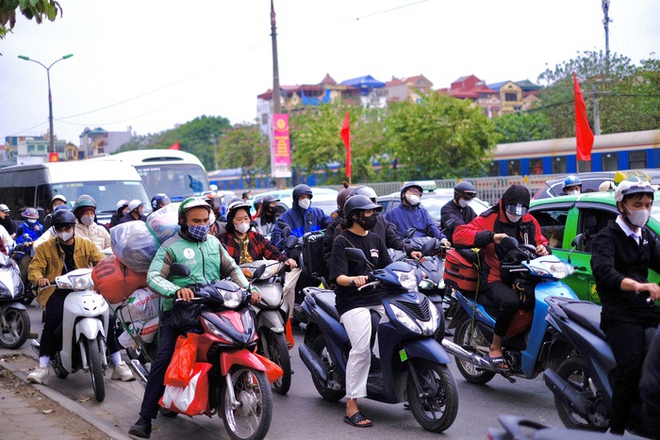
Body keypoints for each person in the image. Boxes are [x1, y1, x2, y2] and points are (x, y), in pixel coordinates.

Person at [129, 197, 259, 439]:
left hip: (214, 307)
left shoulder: (213, 243)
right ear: (183, 221)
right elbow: (154, 277)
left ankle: (247, 387)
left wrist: (249, 291)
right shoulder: (171, 247)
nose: (201, 224)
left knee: (243, 338)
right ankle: (145, 418)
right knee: (164, 359)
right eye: (195, 221)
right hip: (179, 312)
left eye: (205, 220)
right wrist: (175, 290)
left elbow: (231, 268)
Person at [26, 209, 134, 384]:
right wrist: (40, 279)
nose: (64, 230)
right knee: (52, 320)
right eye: (60, 228)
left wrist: (105, 273)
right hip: (57, 291)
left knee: (110, 319)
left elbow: (101, 261)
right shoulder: (45, 248)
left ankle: (118, 364)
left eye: (67, 227)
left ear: (73, 227)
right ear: (55, 229)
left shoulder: (86, 244)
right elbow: (35, 268)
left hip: (86, 290)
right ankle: (43, 366)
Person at [589, 178, 660, 435]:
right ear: (622, 205)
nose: (644, 209)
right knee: (629, 366)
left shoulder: (646, 237)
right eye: (637, 203)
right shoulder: (605, 238)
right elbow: (605, 272)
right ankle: (617, 429)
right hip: (619, 313)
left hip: (645, 308)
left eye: (648, 204)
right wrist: (639, 286)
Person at [453, 184, 550, 370]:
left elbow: (541, 240)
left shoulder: (529, 220)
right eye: (513, 209)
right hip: (494, 278)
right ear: (504, 204)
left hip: (523, 276)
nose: (517, 213)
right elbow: (459, 235)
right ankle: (495, 346)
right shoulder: (489, 218)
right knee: (511, 303)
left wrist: (543, 248)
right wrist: (492, 237)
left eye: (522, 209)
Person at [330, 195, 392, 428]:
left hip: (378, 297)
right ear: (355, 216)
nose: (373, 216)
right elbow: (338, 277)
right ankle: (352, 404)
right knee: (362, 347)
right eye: (368, 213)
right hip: (352, 301)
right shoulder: (342, 241)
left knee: (407, 329)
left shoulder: (376, 239)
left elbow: (388, 267)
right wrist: (353, 279)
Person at [323, 185, 422, 276]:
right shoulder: (341, 234)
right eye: (367, 211)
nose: (372, 215)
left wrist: (410, 251)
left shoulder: (377, 233)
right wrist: (344, 278)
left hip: (378, 280)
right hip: (354, 283)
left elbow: (393, 241)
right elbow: (334, 260)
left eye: (372, 210)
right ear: (354, 215)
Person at [270, 184, 331, 318]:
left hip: (318, 259)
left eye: (308, 197)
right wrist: (286, 241)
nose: (305, 200)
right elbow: (276, 236)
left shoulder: (318, 213)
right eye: (302, 197)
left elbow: (331, 225)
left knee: (334, 280)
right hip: (297, 260)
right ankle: (288, 318)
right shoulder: (286, 217)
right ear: (296, 199)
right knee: (287, 288)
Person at [219, 199, 296, 269]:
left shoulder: (256, 236)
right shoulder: (223, 239)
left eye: (246, 218)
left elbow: (270, 250)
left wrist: (285, 259)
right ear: (231, 221)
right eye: (239, 219)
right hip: (234, 281)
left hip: (257, 278)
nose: (243, 222)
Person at [384, 182, 449, 244]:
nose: (415, 194)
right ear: (403, 194)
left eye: (418, 192)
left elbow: (432, 226)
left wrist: (443, 239)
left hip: (423, 248)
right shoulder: (391, 214)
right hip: (403, 250)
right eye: (412, 190)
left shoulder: (423, 212)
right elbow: (385, 232)